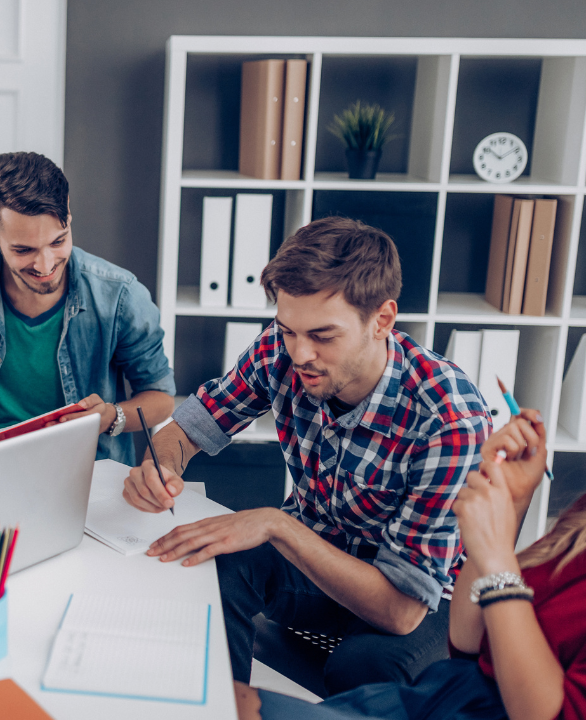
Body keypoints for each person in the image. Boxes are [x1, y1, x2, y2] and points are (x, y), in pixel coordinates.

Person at [123, 217, 492, 699]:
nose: (300, 353)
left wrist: (278, 525)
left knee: (364, 666)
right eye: (288, 330)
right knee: (213, 565)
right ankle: (224, 708)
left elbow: (401, 610)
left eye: (322, 336)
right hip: (321, 555)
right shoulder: (282, 348)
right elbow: (186, 430)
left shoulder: (447, 420)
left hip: (422, 596)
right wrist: (162, 465)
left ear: (382, 320)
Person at [250, 344, 586, 719]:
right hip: (430, 700)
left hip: (450, 706)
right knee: (224, 703)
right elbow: (468, 639)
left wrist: (497, 556)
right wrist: (510, 505)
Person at [0, 151, 175, 470]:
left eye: (58, 241)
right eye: (23, 250)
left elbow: (161, 398)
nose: (46, 265)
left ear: (67, 214)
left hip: (81, 450)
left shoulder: (121, 296)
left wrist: (109, 416)